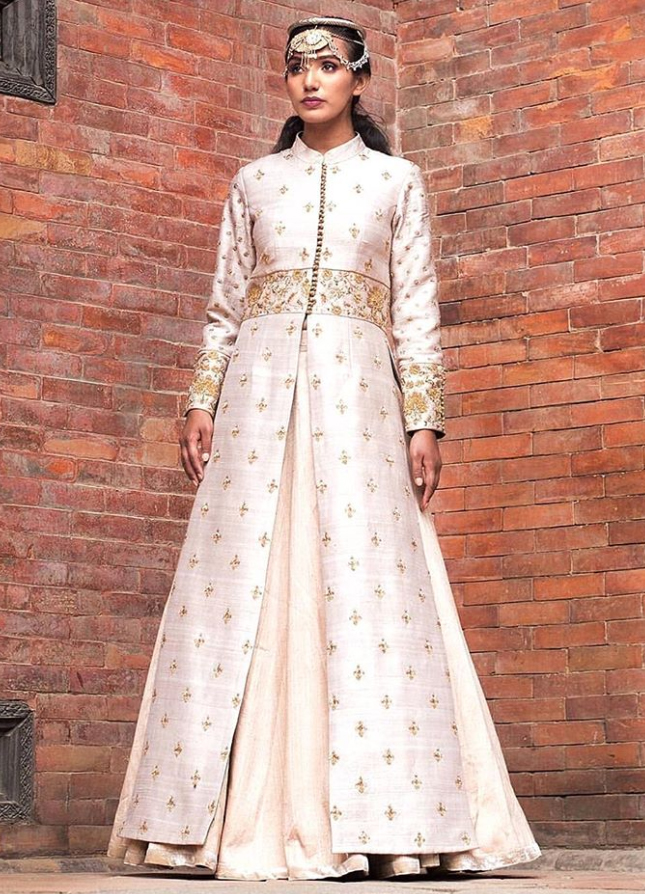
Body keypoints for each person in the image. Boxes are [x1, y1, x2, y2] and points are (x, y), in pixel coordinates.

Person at [107, 15, 541, 881]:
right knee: (240, 579)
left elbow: (415, 308)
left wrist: (424, 419)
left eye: (329, 65)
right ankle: (219, 821)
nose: (310, 80)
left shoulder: (395, 182)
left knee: (367, 579)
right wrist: (201, 400)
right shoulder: (254, 183)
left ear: (359, 79)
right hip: (257, 395)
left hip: (358, 399)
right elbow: (225, 307)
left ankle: (392, 820)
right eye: (296, 67)